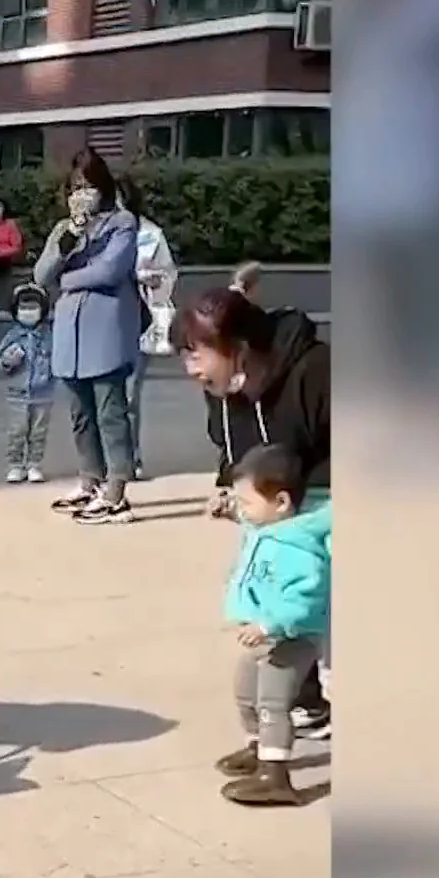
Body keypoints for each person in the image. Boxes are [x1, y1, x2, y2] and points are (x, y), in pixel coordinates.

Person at [178, 264, 334, 739]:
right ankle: (302, 704)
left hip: (321, 506)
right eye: (184, 356)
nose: (192, 370)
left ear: (239, 350)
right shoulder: (222, 390)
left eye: (198, 355)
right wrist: (231, 487)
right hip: (272, 513)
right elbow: (231, 447)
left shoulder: (315, 370)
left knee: (312, 607)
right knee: (273, 604)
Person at [32, 149, 143, 524]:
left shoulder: (123, 223)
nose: (82, 193)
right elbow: (41, 274)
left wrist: (69, 278)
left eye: (89, 186)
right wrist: (71, 239)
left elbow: (111, 271)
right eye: (76, 187)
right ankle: (89, 481)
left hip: (106, 330)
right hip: (70, 333)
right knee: (80, 415)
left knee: (111, 413)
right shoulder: (65, 230)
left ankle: (117, 490)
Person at [215, 444, 330, 807]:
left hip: (291, 637)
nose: (244, 510)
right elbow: (252, 519)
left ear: (280, 502)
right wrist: (231, 511)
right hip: (264, 634)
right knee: (245, 692)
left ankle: (275, 774)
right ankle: (259, 746)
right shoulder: (268, 524)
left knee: (272, 703)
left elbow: (305, 602)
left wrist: (268, 625)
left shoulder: (301, 550)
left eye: (247, 503)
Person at [119, 178, 180, 482]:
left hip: (140, 321)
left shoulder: (150, 235)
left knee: (129, 394)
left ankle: (131, 458)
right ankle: (105, 459)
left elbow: (168, 274)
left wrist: (152, 278)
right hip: (106, 321)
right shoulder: (97, 231)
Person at [0, 285, 56, 484]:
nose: (28, 312)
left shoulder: (48, 335)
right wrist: (9, 360)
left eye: (33, 307)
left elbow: (57, 358)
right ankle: (15, 465)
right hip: (17, 393)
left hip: (43, 392)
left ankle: (34, 465)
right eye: (23, 307)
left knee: (39, 431)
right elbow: (1, 362)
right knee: (17, 430)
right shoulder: (13, 336)